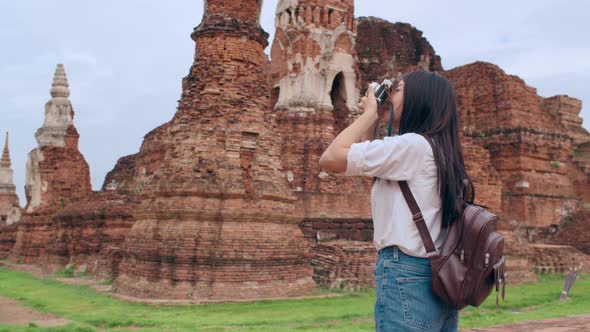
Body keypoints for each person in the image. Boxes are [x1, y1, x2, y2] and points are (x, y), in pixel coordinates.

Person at [319, 70, 473, 331]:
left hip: (407, 274)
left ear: (418, 99)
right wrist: (377, 117)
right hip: (438, 275)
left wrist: (368, 114)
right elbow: (372, 163)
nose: (391, 96)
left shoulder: (413, 146)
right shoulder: (440, 149)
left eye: (398, 89)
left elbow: (331, 157)